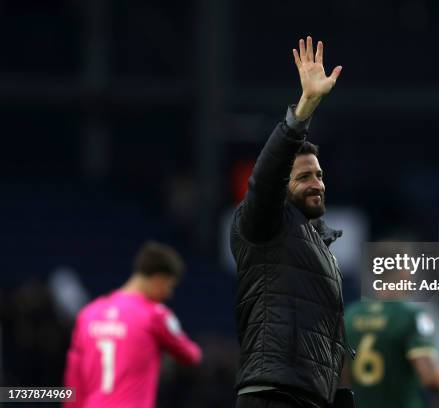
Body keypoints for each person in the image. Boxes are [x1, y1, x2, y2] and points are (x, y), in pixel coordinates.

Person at [230, 36, 349, 408]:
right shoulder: (265, 224)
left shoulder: (316, 244)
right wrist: (302, 112)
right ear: (282, 188)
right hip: (274, 396)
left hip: (306, 397)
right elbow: (265, 179)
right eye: (304, 178)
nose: (317, 184)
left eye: (319, 175)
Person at [63, 241, 202, 408]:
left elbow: (74, 381)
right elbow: (191, 355)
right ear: (159, 279)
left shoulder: (88, 314)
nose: (168, 294)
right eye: (169, 286)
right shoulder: (155, 314)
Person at [344, 270, 439, 408]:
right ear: (402, 273)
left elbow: (342, 377)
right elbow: (430, 377)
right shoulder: (412, 316)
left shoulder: (350, 315)